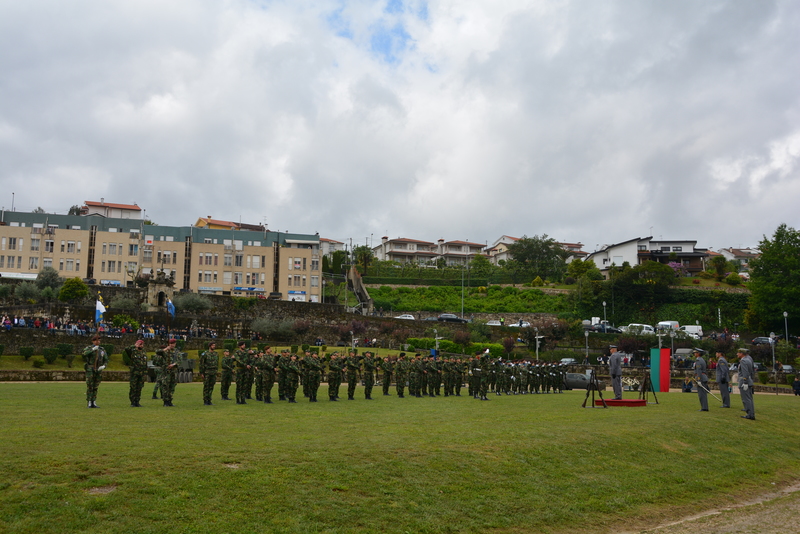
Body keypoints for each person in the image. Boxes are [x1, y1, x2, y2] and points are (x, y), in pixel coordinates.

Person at [82, 334, 108, 408]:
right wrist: (92, 350)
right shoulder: (89, 348)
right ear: (93, 341)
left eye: (99, 340)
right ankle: (89, 402)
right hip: (90, 370)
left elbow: (106, 359)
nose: (98, 342)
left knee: (95, 386)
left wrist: (104, 366)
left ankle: (94, 401)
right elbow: (84, 354)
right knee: (90, 386)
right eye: (96, 340)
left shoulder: (102, 349)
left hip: (98, 370)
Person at [154, 339, 180, 406]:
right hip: (165, 372)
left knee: (172, 386)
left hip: (173, 371)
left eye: (173, 343)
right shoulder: (165, 351)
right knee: (165, 386)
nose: (172, 345)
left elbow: (179, 361)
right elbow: (157, 352)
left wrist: (173, 364)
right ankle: (165, 401)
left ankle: (170, 401)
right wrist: (165, 349)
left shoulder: (177, 352)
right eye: (171, 343)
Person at [124, 339, 148, 407]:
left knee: (139, 388)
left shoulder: (143, 352)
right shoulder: (133, 352)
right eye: (140, 344)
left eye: (142, 344)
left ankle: (137, 401)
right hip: (134, 373)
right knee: (133, 387)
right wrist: (134, 346)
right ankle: (133, 402)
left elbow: (145, 363)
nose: (141, 345)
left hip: (141, 373)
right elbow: (126, 349)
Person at [198, 341, 219, 406]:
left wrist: (216, 371)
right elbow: (201, 364)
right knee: (206, 386)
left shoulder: (216, 354)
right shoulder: (205, 354)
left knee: (211, 386)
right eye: (213, 345)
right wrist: (201, 373)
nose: (214, 347)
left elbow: (217, 363)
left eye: (214, 345)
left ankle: (209, 400)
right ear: (210, 346)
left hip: (213, 372)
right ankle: (205, 400)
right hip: (207, 372)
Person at [737, 348, 755, 420]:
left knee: (746, 399)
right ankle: (751, 413)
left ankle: (750, 414)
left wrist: (745, 382)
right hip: (749, 380)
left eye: (738, 353)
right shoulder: (748, 359)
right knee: (749, 398)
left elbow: (745, 372)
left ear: (741, 353)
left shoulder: (743, 361)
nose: (737, 354)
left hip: (744, 381)